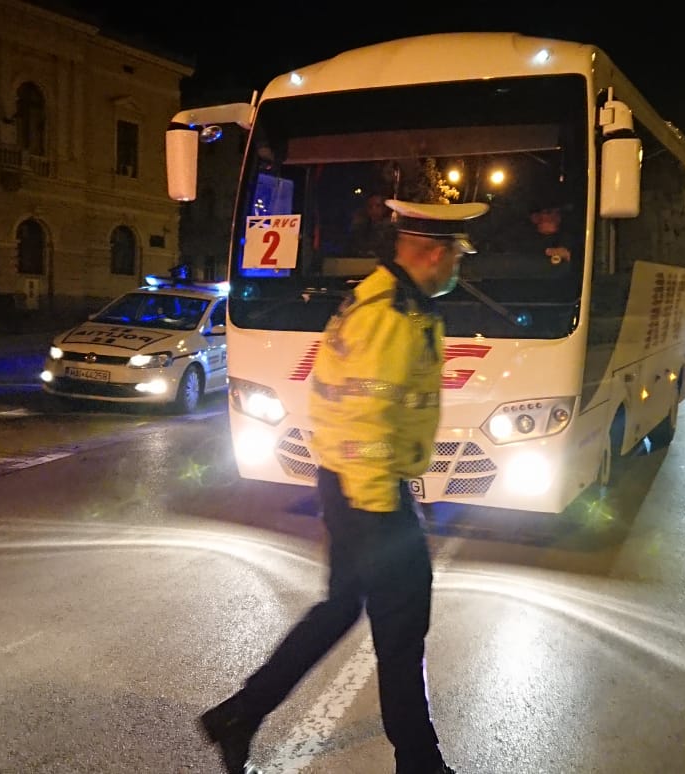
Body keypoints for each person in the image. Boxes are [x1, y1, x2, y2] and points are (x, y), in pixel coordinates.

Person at [198, 198, 488, 774]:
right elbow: (365, 420)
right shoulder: (390, 315)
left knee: (340, 610)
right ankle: (420, 765)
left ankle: (241, 714)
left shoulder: (386, 300)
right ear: (433, 253)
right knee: (401, 629)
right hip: (371, 491)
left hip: (351, 484)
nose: (459, 266)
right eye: (456, 256)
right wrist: (381, 513)